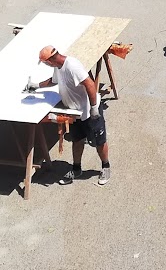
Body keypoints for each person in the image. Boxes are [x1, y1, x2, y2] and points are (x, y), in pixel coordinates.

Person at [37, 45, 111, 185]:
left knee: (98, 142)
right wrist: (36, 85)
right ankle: (76, 169)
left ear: (50, 60)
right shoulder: (58, 67)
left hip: (89, 112)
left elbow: (89, 84)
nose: (46, 65)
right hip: (75, 113)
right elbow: (53, 81)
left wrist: (94, 108)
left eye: (45, 63)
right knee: (77, 141)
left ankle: (105, 167)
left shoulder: (72, 66)